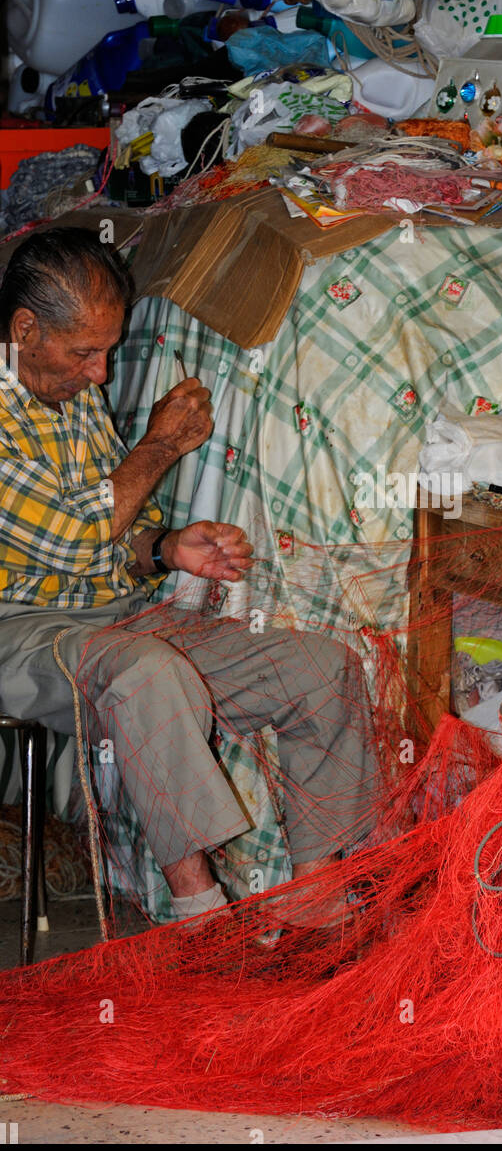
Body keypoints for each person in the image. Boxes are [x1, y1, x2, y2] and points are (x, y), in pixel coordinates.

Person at [0, 228, 376, 924]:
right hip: (18, 633)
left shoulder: (67, 391)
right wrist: (161, 445)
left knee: (322, 669)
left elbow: (110, 534)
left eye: (107, 352)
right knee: (146, 672)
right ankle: (197, 911)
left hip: (114, 619)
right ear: (25, 329)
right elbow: (80, 534)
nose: (102, 374)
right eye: (86, 352)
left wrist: (169, 547)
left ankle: (312, 897)